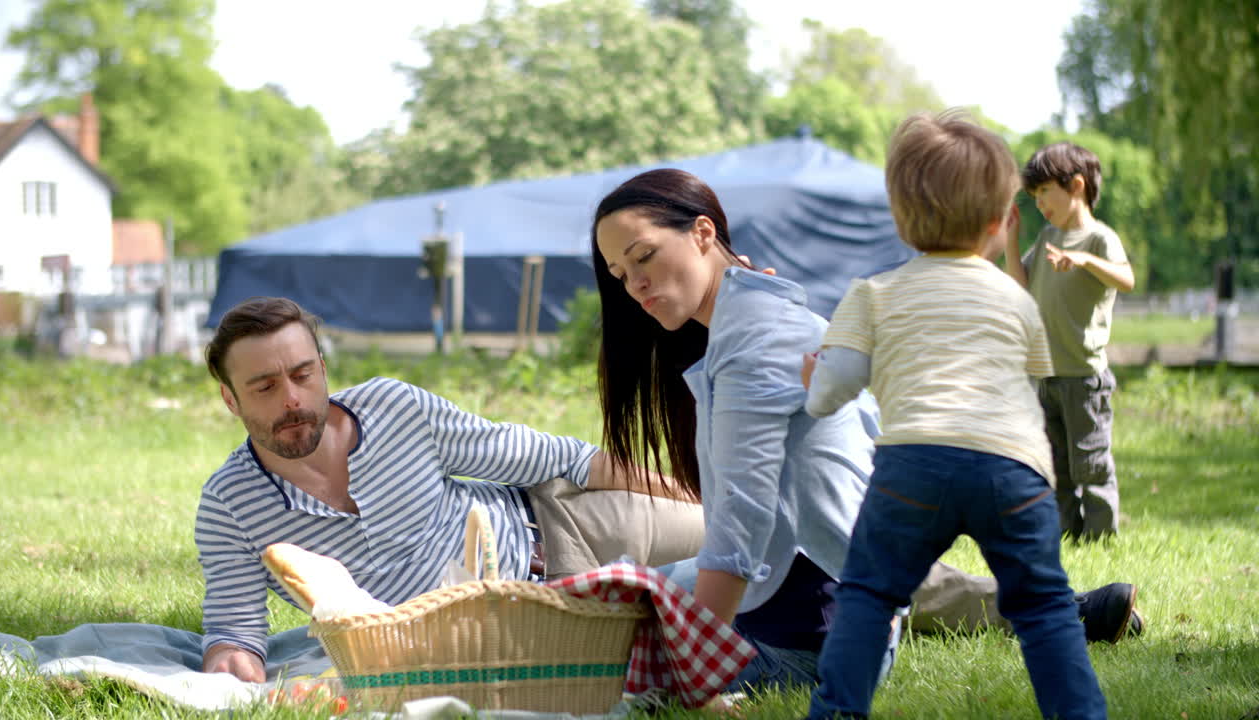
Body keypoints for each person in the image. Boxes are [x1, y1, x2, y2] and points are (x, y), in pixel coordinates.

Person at [590, 166, 1137, 699]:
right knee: (620, 602)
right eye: (619, 274)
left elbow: (738, 533)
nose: (634, 284)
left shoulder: (753, 341)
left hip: (821, 633)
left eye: (643, 257)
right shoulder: (755, 313)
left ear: (704, 232)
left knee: (604, 658)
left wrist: (697, 673)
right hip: (832, 582)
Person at [195, 296, 706, 682]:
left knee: (740, 547)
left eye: (303, 375)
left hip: (559, 527)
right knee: (709, 606)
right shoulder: (229, 506)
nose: (291, 399)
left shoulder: (394, 408)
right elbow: (235, 632)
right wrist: (229, 669)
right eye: (264, 387)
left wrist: (688, 492)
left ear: (323, 370)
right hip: (510, 632)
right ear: (230, 399)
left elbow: (556, 458)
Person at [803, 110, 1106, 720]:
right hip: (1014, 473)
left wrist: (816, 383)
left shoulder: (875, 293)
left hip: (912, 468)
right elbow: (1035, 375)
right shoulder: (1015, 299)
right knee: (1044, 607)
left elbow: (832, 387)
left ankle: (837, 713)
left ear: (899, 216)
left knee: (868, 595)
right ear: (999, 224)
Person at [1004, 141, 1135, 540]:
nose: (1040, 203)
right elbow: (1021, 286)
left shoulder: (1098, 238)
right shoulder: (1046, 236)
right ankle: (1066, 532)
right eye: (1034, 196)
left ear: (1076, 185)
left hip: (1083, 377)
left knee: (1090, 463)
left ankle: (1100, 536)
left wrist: (1083, 261)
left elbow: (1126, 279)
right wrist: (1010, 241)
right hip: (1047, 375)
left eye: (1044, 192)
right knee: (1056, 465)